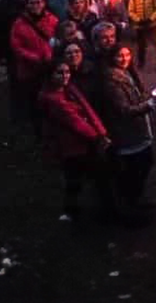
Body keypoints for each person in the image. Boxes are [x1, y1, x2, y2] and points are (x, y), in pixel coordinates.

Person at [37, 60, 115, 222]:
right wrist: (98, 137)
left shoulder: (68, 89)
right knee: (86, 175)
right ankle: (103, 209)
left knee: (76, 177)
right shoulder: (54, 99)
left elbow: (86, 111)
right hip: (72, 145)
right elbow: (74, 121)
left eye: (67, 72)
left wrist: (100, 132)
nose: (65, 76)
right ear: (50, 76)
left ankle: (74, 209)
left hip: (78, 143)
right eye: (60, 72)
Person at [101, 45, 156, 215]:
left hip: (137, 130)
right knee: (135, 169)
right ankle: (129, 205)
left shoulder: (127, 73)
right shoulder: (111, 81)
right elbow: (123, 110)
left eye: (127, 54)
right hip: (127, 132)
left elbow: (136, 96)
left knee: (145, 163)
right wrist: (148, 105)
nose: (125, 59)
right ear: (112, 57)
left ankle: (135, 199)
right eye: (120, 56)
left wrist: (150, 98)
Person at [10, 0, 59, 133]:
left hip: (49, 67)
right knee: (34, 101)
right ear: (27, 5)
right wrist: (35, 58)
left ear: (44, 4)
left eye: (39, 2)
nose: (36, 6)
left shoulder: (52, 20)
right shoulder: (19, 24)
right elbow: (16, 47)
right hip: (30, 70)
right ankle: (38, 130)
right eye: (32, 3)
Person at [128, 0, 156, 70]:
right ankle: (141, 62)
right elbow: (131, 11)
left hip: (152, 25)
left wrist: (151, 18)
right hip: (140, 26)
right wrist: (138, 20)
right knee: (141, 45)